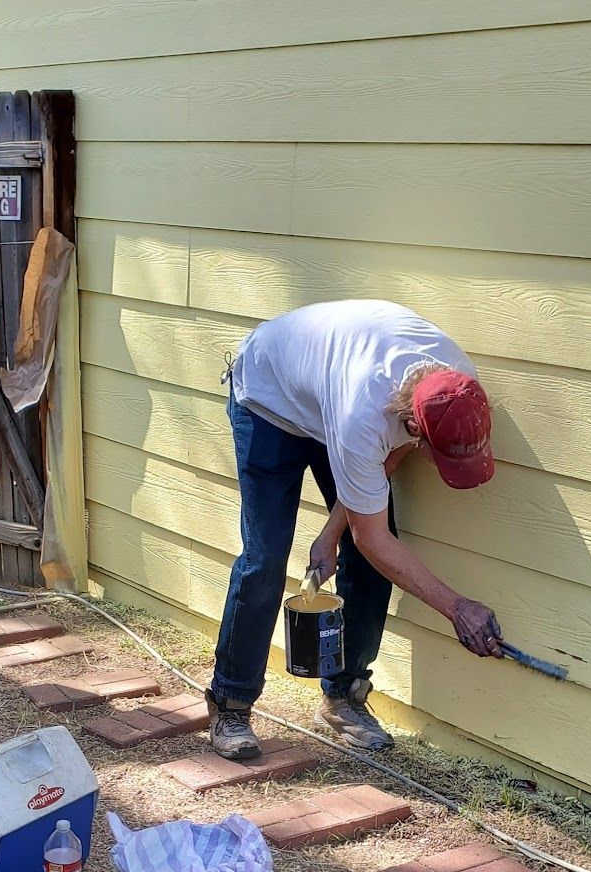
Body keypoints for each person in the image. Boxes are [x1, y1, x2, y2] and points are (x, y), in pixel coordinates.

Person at [206, 300, 502, 761]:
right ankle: (231, 703)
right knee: (266, 556)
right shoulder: (363, 414)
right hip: (268, 397)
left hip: (331, 396)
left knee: (365, 563)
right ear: (412, 425)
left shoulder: (456, 387)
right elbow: (374, 535)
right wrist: (457, 607)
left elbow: (384, 459)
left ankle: (344, 697)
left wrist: (329, 534)